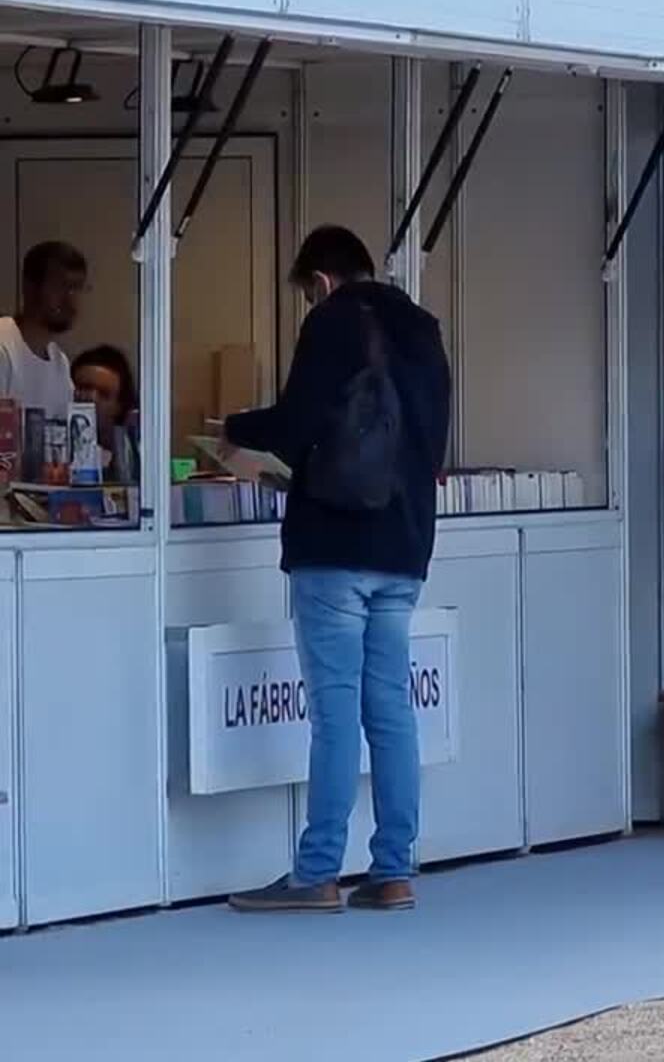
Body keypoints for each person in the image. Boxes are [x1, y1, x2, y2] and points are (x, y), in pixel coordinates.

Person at [225, 225, 451, 913]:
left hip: (335, 544)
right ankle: (394, 871)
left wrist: (235, 428)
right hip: (405, 546)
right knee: (391, 711)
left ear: (319, 281)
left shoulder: (331, 322)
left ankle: (316, 872)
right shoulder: (423, 330)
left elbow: (297, 423)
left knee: (333, 715)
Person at [0, 241, 87, 419]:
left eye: (77, 288)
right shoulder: (3, 348)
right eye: (61, 286)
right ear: (30, 287)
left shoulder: (59, 362)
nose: (71, 300)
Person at [71, 346, 138, 483]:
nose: (91, 399)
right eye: (83, 388)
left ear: (120, 406)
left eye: (104, 394)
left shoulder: (130, 460)